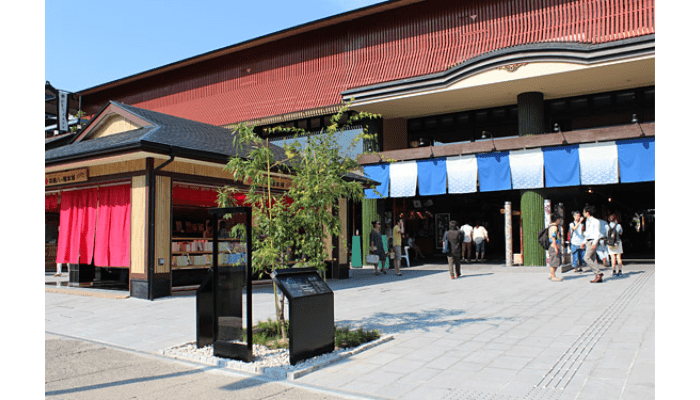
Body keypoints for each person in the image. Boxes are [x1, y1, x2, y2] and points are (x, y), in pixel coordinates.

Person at [582, 205, 605, 283]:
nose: (583, 214)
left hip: (592, 241)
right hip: (588, 241)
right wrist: (584, 242)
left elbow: (597, 233)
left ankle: (598, 273)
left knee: (586, 258)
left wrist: (595, 242)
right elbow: (587, 233)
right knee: (593, 259)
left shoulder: (596, 221)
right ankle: (597, 277)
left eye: (584, 212)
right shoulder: (587, 221)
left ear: (587, 213)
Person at [548, 214, 564, 281]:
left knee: (556, 261)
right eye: (559, 219)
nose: (560, 220)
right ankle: (553, 276)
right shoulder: (554, 227)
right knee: (554, 262)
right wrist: (556, 248)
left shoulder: (551, 226)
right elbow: (553, 238)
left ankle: (552, 274)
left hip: (552, 246)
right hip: (553, 246)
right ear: (557, 219)